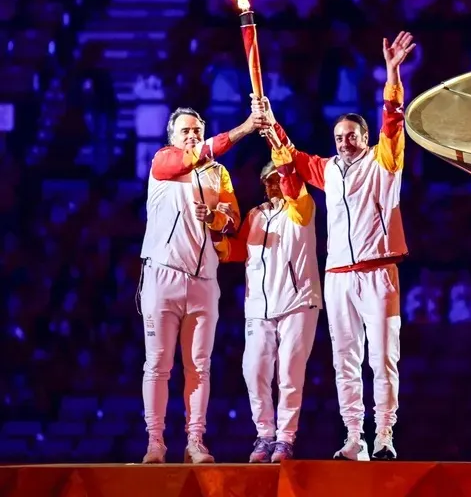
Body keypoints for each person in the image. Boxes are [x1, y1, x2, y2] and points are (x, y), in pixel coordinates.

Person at [252, 31, 416, 461]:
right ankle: (354, 438)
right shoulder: (329, 172)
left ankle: (384, 436)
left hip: (380, 271)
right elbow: (289, 155)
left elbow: (393, 121)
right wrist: (269, 123)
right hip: (339, 277)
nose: (344, 142)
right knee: (345, 362)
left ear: (365, 138)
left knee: (383, 359)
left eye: (351, 136)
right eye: (339, 137)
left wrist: (392, 73)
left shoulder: (384, 163)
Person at [138, 106, 264, 464]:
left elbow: (233, 221)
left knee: (199, 364)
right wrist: (241, 130)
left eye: (197, 130)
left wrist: (215, 217)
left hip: (204, 280)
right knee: (158, 364)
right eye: (185, 131)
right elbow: (192, 156)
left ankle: (195, 441)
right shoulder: (163, 163)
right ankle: (155, 443)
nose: (191, 135)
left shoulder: (218, 174)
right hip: (163, 275)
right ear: (172, 138)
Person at [219, 135, 322, 464]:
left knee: (290, 372)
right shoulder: (256, 215)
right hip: (259, 308)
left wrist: (282, 157)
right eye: (268, 180)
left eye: (278, 178)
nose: (274, 185)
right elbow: (235, 251)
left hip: (297, 302)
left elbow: (294, 186)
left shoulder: (302, 208)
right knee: (255, 369)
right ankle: (264, 435)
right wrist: (214, 228)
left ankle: (285, 439)